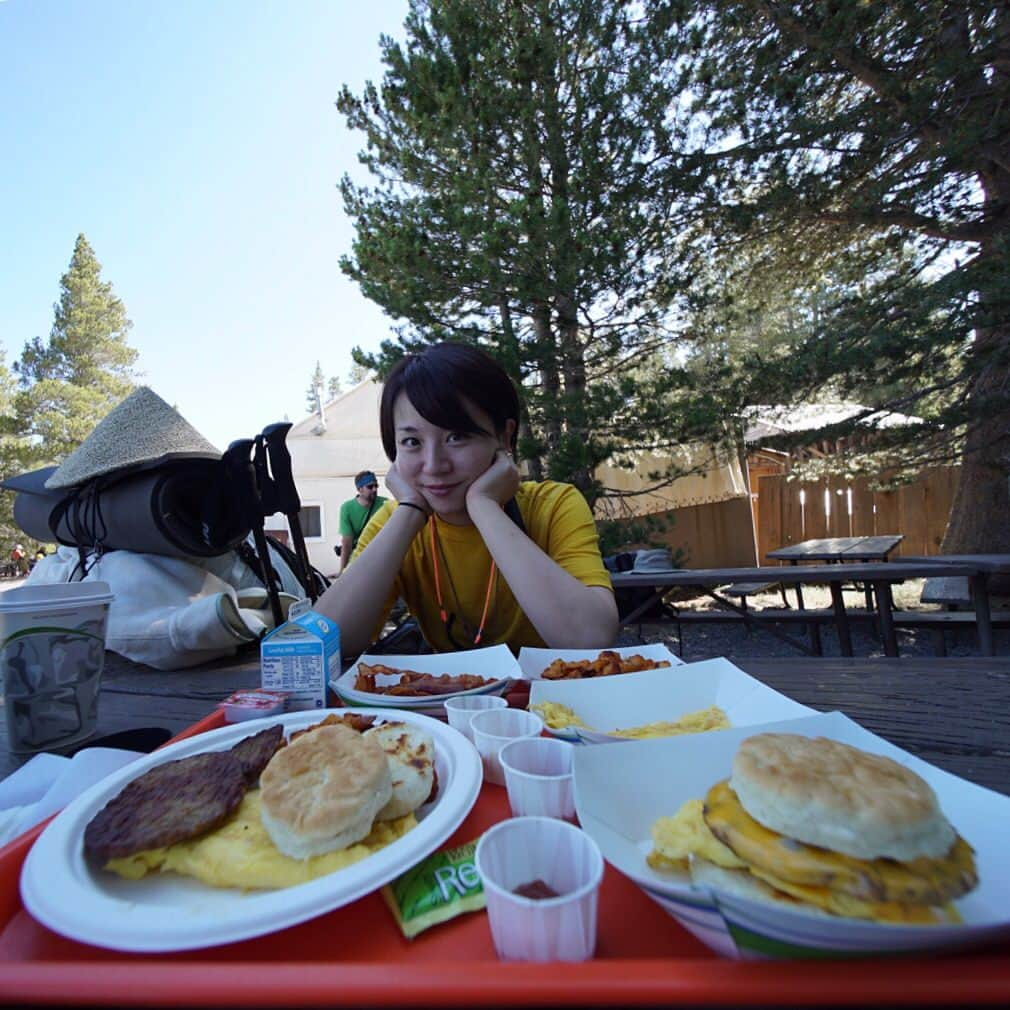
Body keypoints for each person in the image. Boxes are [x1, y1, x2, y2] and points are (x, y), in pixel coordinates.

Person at [316, 343, 618, 655]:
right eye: (411, 441)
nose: (434, 465)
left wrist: (484, 506)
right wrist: (409, 512)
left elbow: (590, 637)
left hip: (556, 700)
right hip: (444, 700)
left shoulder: (554, 506)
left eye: (456, 437)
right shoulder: (395, 523)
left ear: (503, 436)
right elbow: (320, 646)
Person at [337, 471, 387, 574]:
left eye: (376, 486)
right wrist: (342, 571)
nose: (374, 489)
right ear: (359, 489)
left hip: (382, 556)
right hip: (358, 558)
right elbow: (347, 542)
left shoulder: (385, 504)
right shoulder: (347, 508)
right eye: (370, 487)